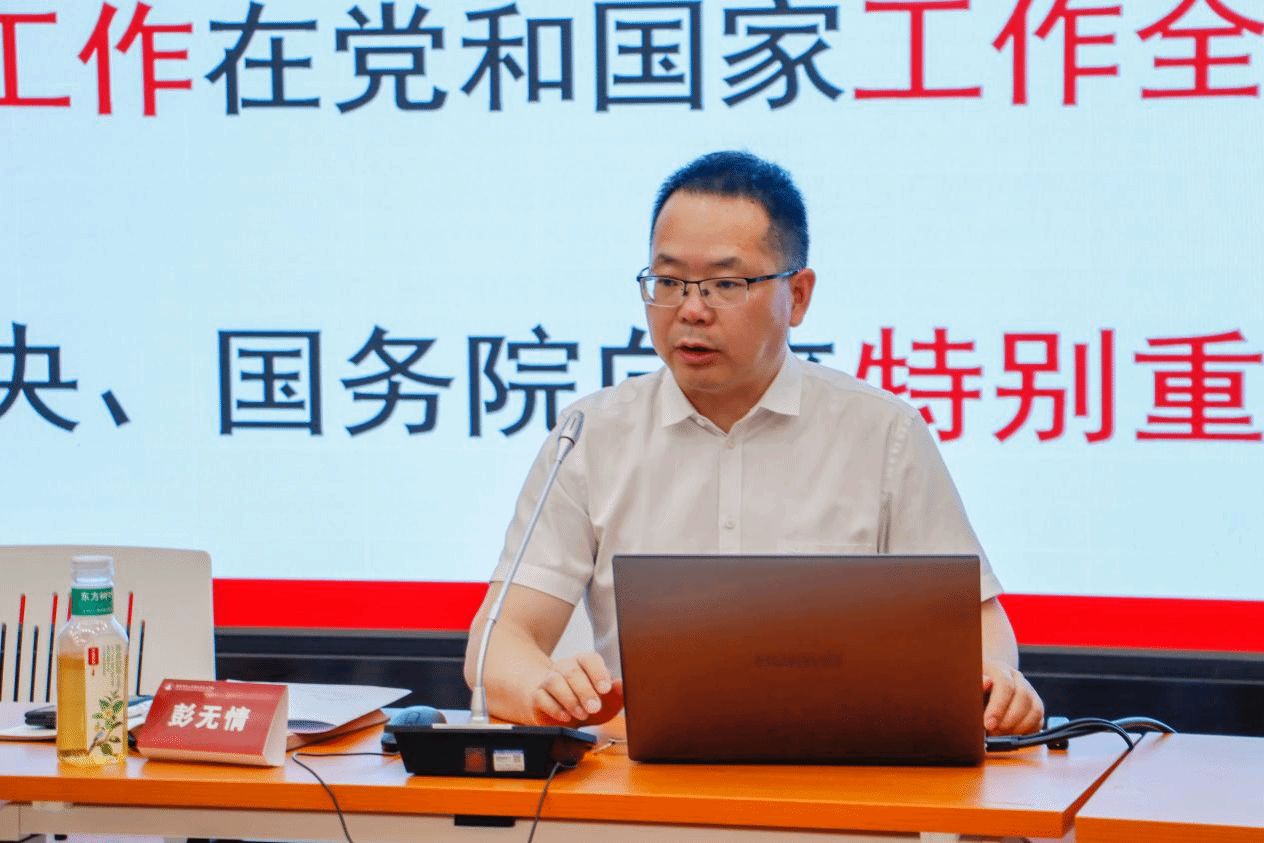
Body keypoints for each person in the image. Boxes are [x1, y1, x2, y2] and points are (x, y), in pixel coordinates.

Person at [465, 150, 1044, 736]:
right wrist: (542, 691)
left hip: (842, 774)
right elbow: (498, 644)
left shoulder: (882, 433)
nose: (691, 310)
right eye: (668, 281)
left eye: (726, 284)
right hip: (642, 776)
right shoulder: (590, 435)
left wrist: (997, 682)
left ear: (798, 295)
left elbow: (975, 627)